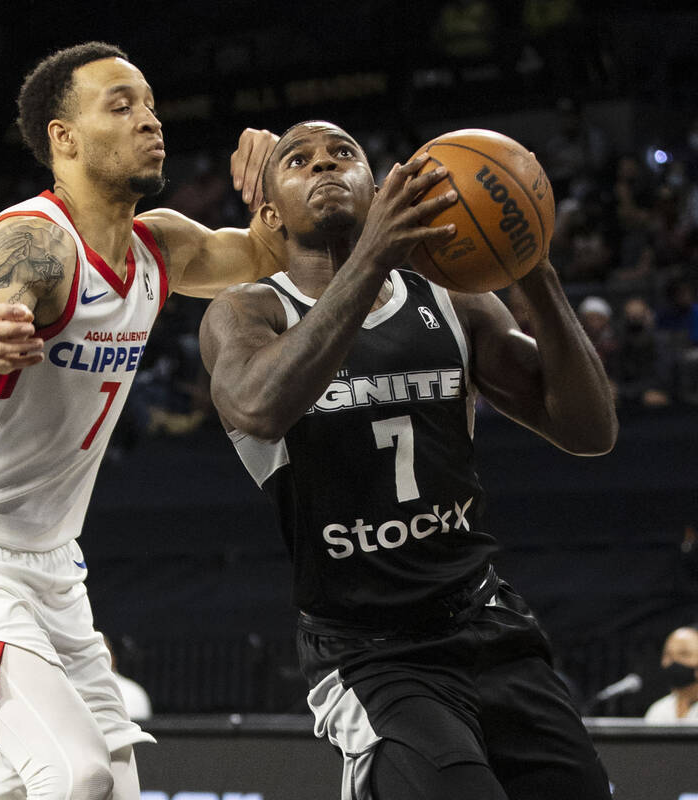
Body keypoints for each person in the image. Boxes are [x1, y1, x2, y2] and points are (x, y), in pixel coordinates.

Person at [0, 42, 282, 800]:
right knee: (76, 774)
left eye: (150, 103)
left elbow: (268, 251)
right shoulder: (37, 244)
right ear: (64, 140)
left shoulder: (161, 246)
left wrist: (280, 180)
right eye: (120, 107)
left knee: (110, 784)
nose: (149, 120)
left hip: (50, 566)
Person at [200, 121, 617, 800]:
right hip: (371, 654)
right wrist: (372, 255)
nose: (326, 165)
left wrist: (531, 267)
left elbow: (589, 429)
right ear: (270, 214)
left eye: (344, 154)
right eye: (299, 160)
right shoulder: (249, 312)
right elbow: (257, 406)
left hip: (487, 620)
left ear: (376, 187)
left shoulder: (452, 301)